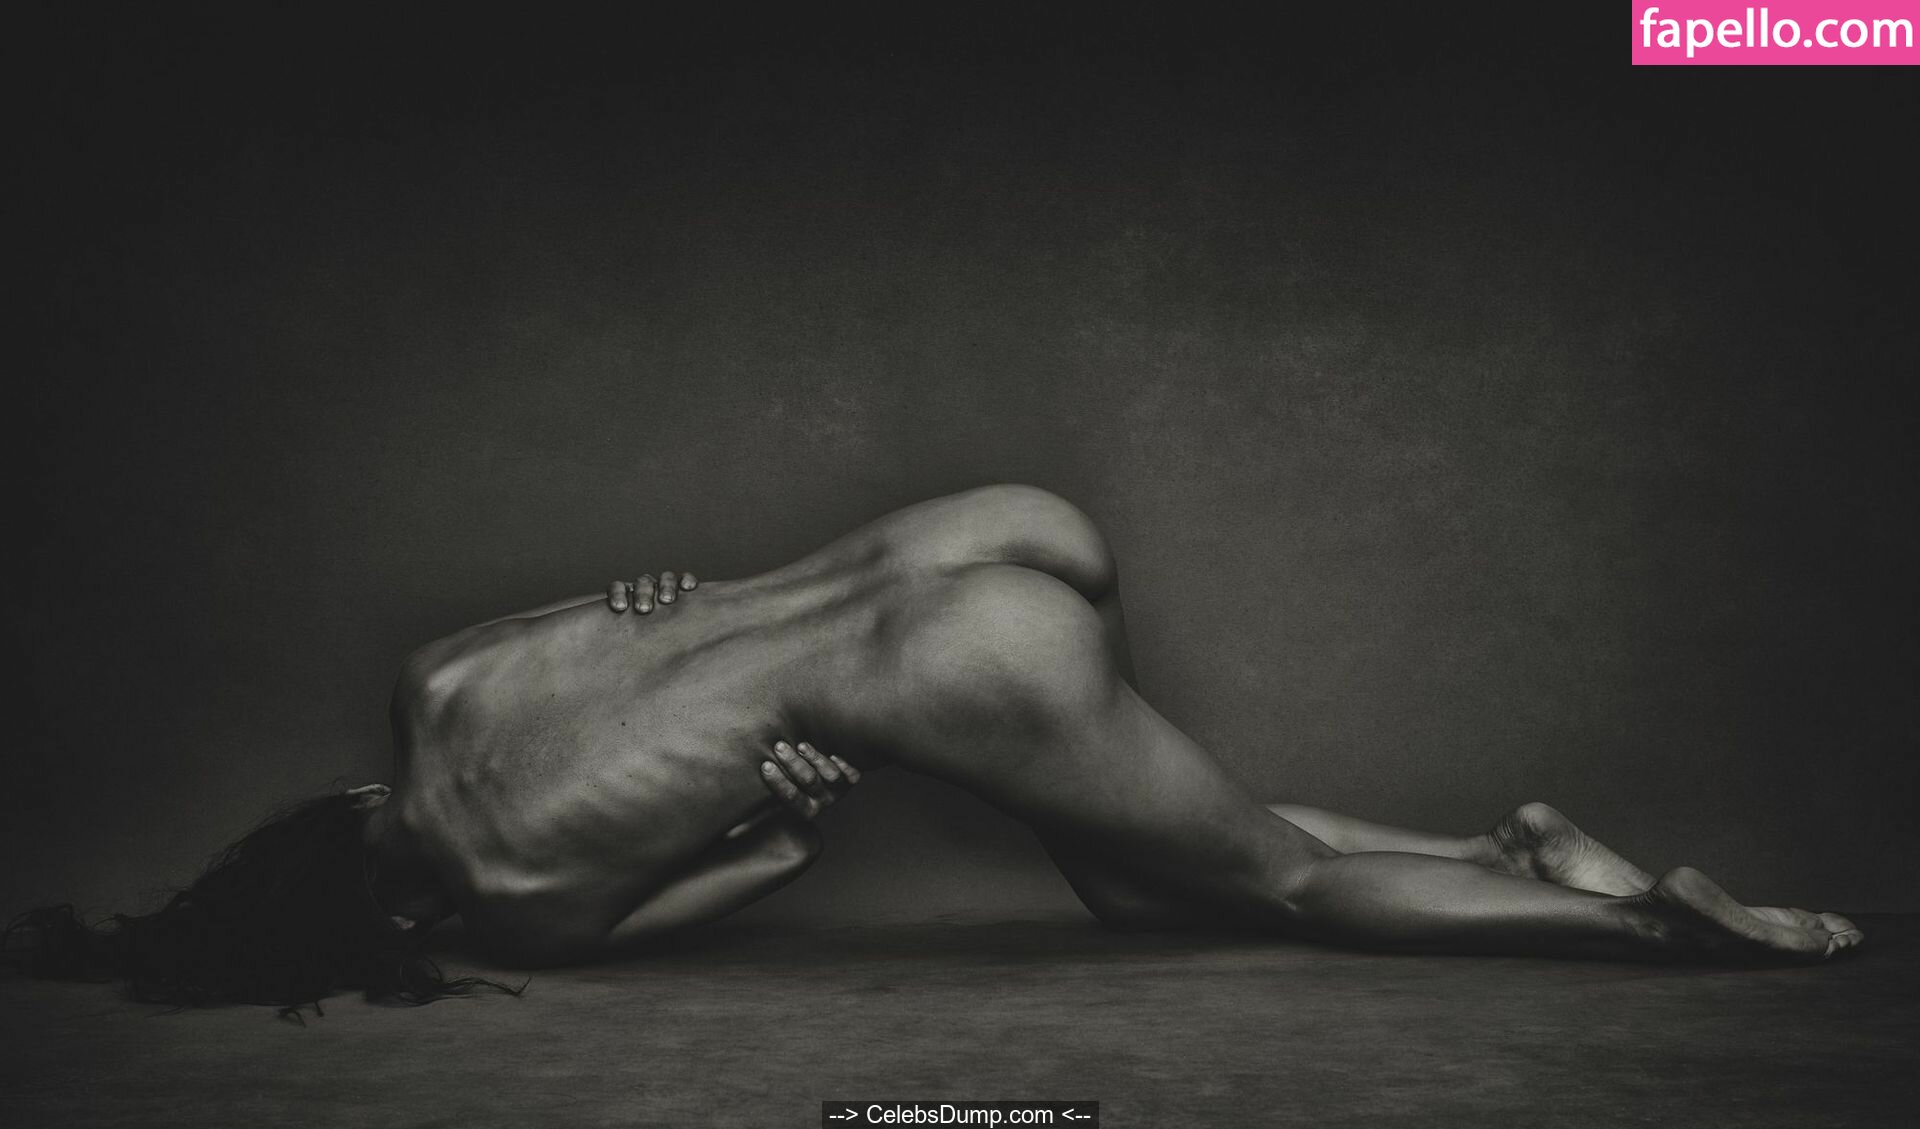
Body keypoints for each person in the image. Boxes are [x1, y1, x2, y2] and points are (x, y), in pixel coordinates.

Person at [9, 485, 1863, 1011]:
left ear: (378, 922)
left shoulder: (505, 909)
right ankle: (1501, 847)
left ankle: (1651, 928)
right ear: (337, 808)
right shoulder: (438, 678)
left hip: (955, 660)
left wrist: (781, 817)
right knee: (1150, 878)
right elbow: (645, 604)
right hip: (960, 532)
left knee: (1276, 881)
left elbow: (774, 854)